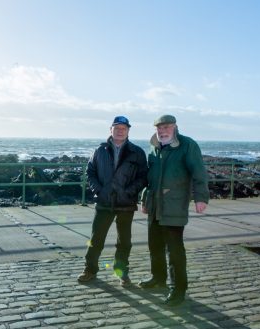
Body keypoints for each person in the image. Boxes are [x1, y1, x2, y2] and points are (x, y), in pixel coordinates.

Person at [139, 114, 209, 306]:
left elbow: (198, 172)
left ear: (175, 127)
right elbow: (149, 178)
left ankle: (178, 289)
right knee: (155, 246)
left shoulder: (188, 145)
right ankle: (158, 278)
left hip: (174, 205)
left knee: (175, 251)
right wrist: (144, 200)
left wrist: (201, 198)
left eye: (166, 127)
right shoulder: (153, 148)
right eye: (159, 128)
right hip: (154, 206)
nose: (162, 131)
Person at [78, 116, 148, 286]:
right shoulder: (99, 150)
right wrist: (99, 191)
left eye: (124, 128)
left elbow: (143, 177)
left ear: (128, 131)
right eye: (117, 128)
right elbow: (90, 172)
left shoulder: (137, 152)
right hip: (104, 202)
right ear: (111, 130)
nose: (120, 131)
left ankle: (121, 272)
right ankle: (90, 270)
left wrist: (129, 191)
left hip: (126, 203)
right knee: (96, 240)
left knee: (124, 241)